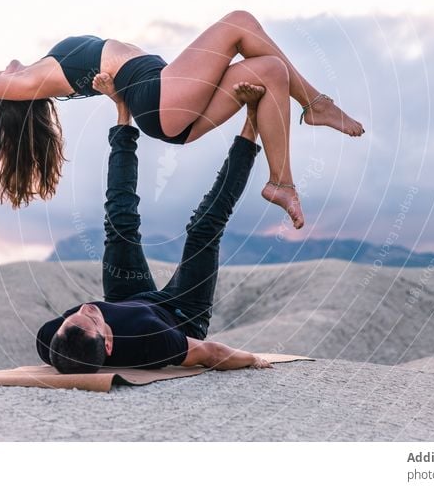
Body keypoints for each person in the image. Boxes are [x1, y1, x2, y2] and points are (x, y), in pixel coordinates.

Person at [0, 10, 365, 229]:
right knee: (239, 24)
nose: (1, 71)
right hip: (159, 97)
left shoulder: (43, 74)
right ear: (9, 92)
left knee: (271, 70)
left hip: (171, 112)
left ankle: (282, 182)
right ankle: (316, 104)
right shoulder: (33, 80)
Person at [36, 92, 273, 373]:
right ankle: (253, 120)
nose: (85, 308)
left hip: (128, 299)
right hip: (182, 312)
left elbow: (72, 337)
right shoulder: (153, 341)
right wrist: (252, 359)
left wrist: (88, 321)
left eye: (72, 317)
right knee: (204, 228)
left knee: (119, 224)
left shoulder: (51, 340)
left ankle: (123, 111)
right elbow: (210, 353)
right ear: (109, 345)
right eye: (92, 320)